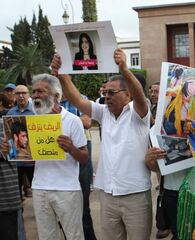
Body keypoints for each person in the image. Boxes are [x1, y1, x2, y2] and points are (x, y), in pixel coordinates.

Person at [52, 48, 152, 240]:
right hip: (107, 194)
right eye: (105, 92)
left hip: (136, 195)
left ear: (127, 95)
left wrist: (124, 68)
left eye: (112, 92)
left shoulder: (139, 113)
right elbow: (77, 100)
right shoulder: (103, 112)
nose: (106, 96)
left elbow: (140, 95)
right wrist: (61, 74)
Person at [3, 74, 89, 240]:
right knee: (46, 236)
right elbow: (28, 157)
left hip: (67, 190)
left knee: (74, 235)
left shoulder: (72, 121)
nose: (35, 95)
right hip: (40, 188)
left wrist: (71, 148)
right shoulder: (31, 122)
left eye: (40, 91)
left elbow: (84, 157)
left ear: (56, 96)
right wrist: (10, 150)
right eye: (33, 91)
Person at [60, 94, 97, 240]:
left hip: (80, 147)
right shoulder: (46, 103)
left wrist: (62, 120)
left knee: (82, 205)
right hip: (56, 152)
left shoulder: (80, 98)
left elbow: (87, 122)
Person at [7, 85, 35, 201]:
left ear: (29, 95)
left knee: (38, 191)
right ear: (14, 96)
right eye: (18, 93)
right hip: (16, 162)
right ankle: (19, 216)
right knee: (16, 193)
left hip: (33, 160)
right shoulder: (10, 113)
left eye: (24, 92)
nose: (21, 96)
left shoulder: (36, 111)